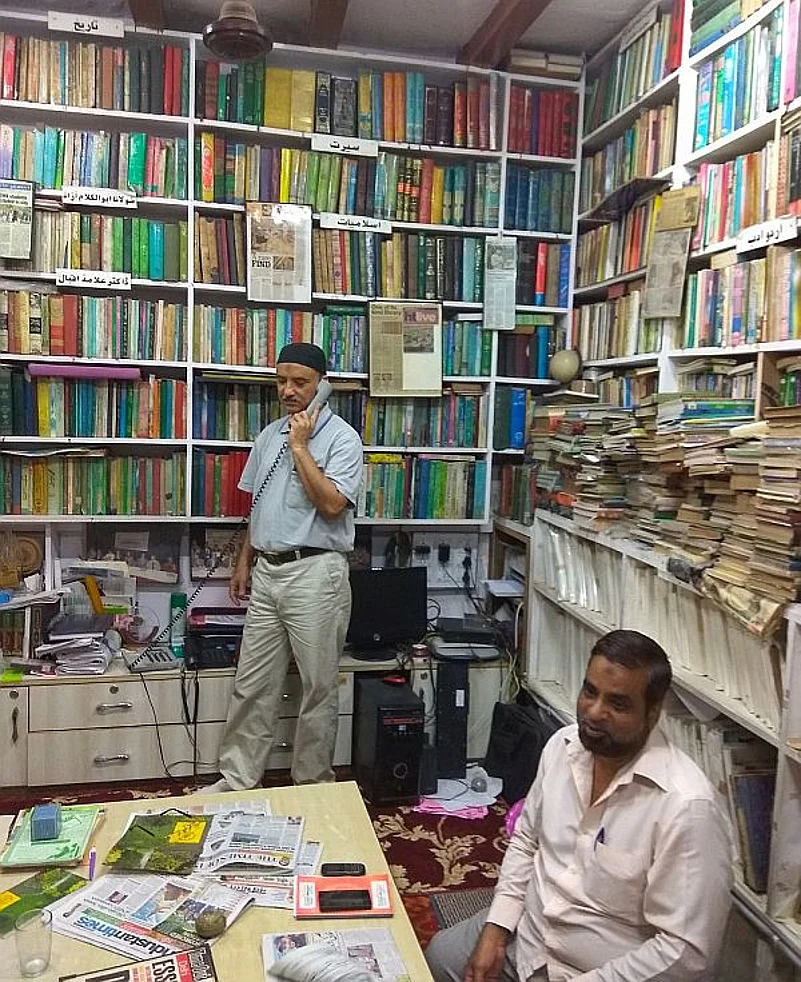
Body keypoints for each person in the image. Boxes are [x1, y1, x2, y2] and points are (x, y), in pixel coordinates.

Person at [426, 629, 735, 982]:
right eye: (590, 692)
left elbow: (687, 953)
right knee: (439, 957)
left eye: (618, 704)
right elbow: (526, 841)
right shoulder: (562, 746)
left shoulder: (688, 808)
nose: (594, 712)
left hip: (602, 971)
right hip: (530, 937)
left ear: (652, 713)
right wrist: (496, 929)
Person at [201, 342, 363, 791]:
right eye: (281, 381)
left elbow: (332, 505)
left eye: (300, 382)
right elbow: (259, 505)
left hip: (315, 573)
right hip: (268, 573)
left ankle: (312, 785)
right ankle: (237, 778)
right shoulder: (268, 435)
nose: (288, 391)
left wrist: (301, 447)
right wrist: (244, 560)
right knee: (252, 681)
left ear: (322, 385)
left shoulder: (342, 439)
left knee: (317, 688)